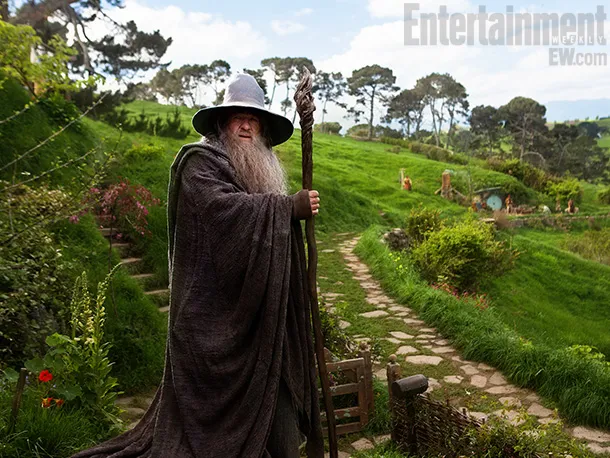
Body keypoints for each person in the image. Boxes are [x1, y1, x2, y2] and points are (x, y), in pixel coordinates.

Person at [73, 74, 324, 457]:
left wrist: (286, 212)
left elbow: (262, 239)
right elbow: (222, 211)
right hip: (208, 315)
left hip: (258, 313)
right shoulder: (199, 164)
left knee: (278, 395)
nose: (246, 126)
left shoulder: (260, 170)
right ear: (222, 122)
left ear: (262, 128)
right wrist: (287, 208)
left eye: (254, 120)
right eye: (238, 117)